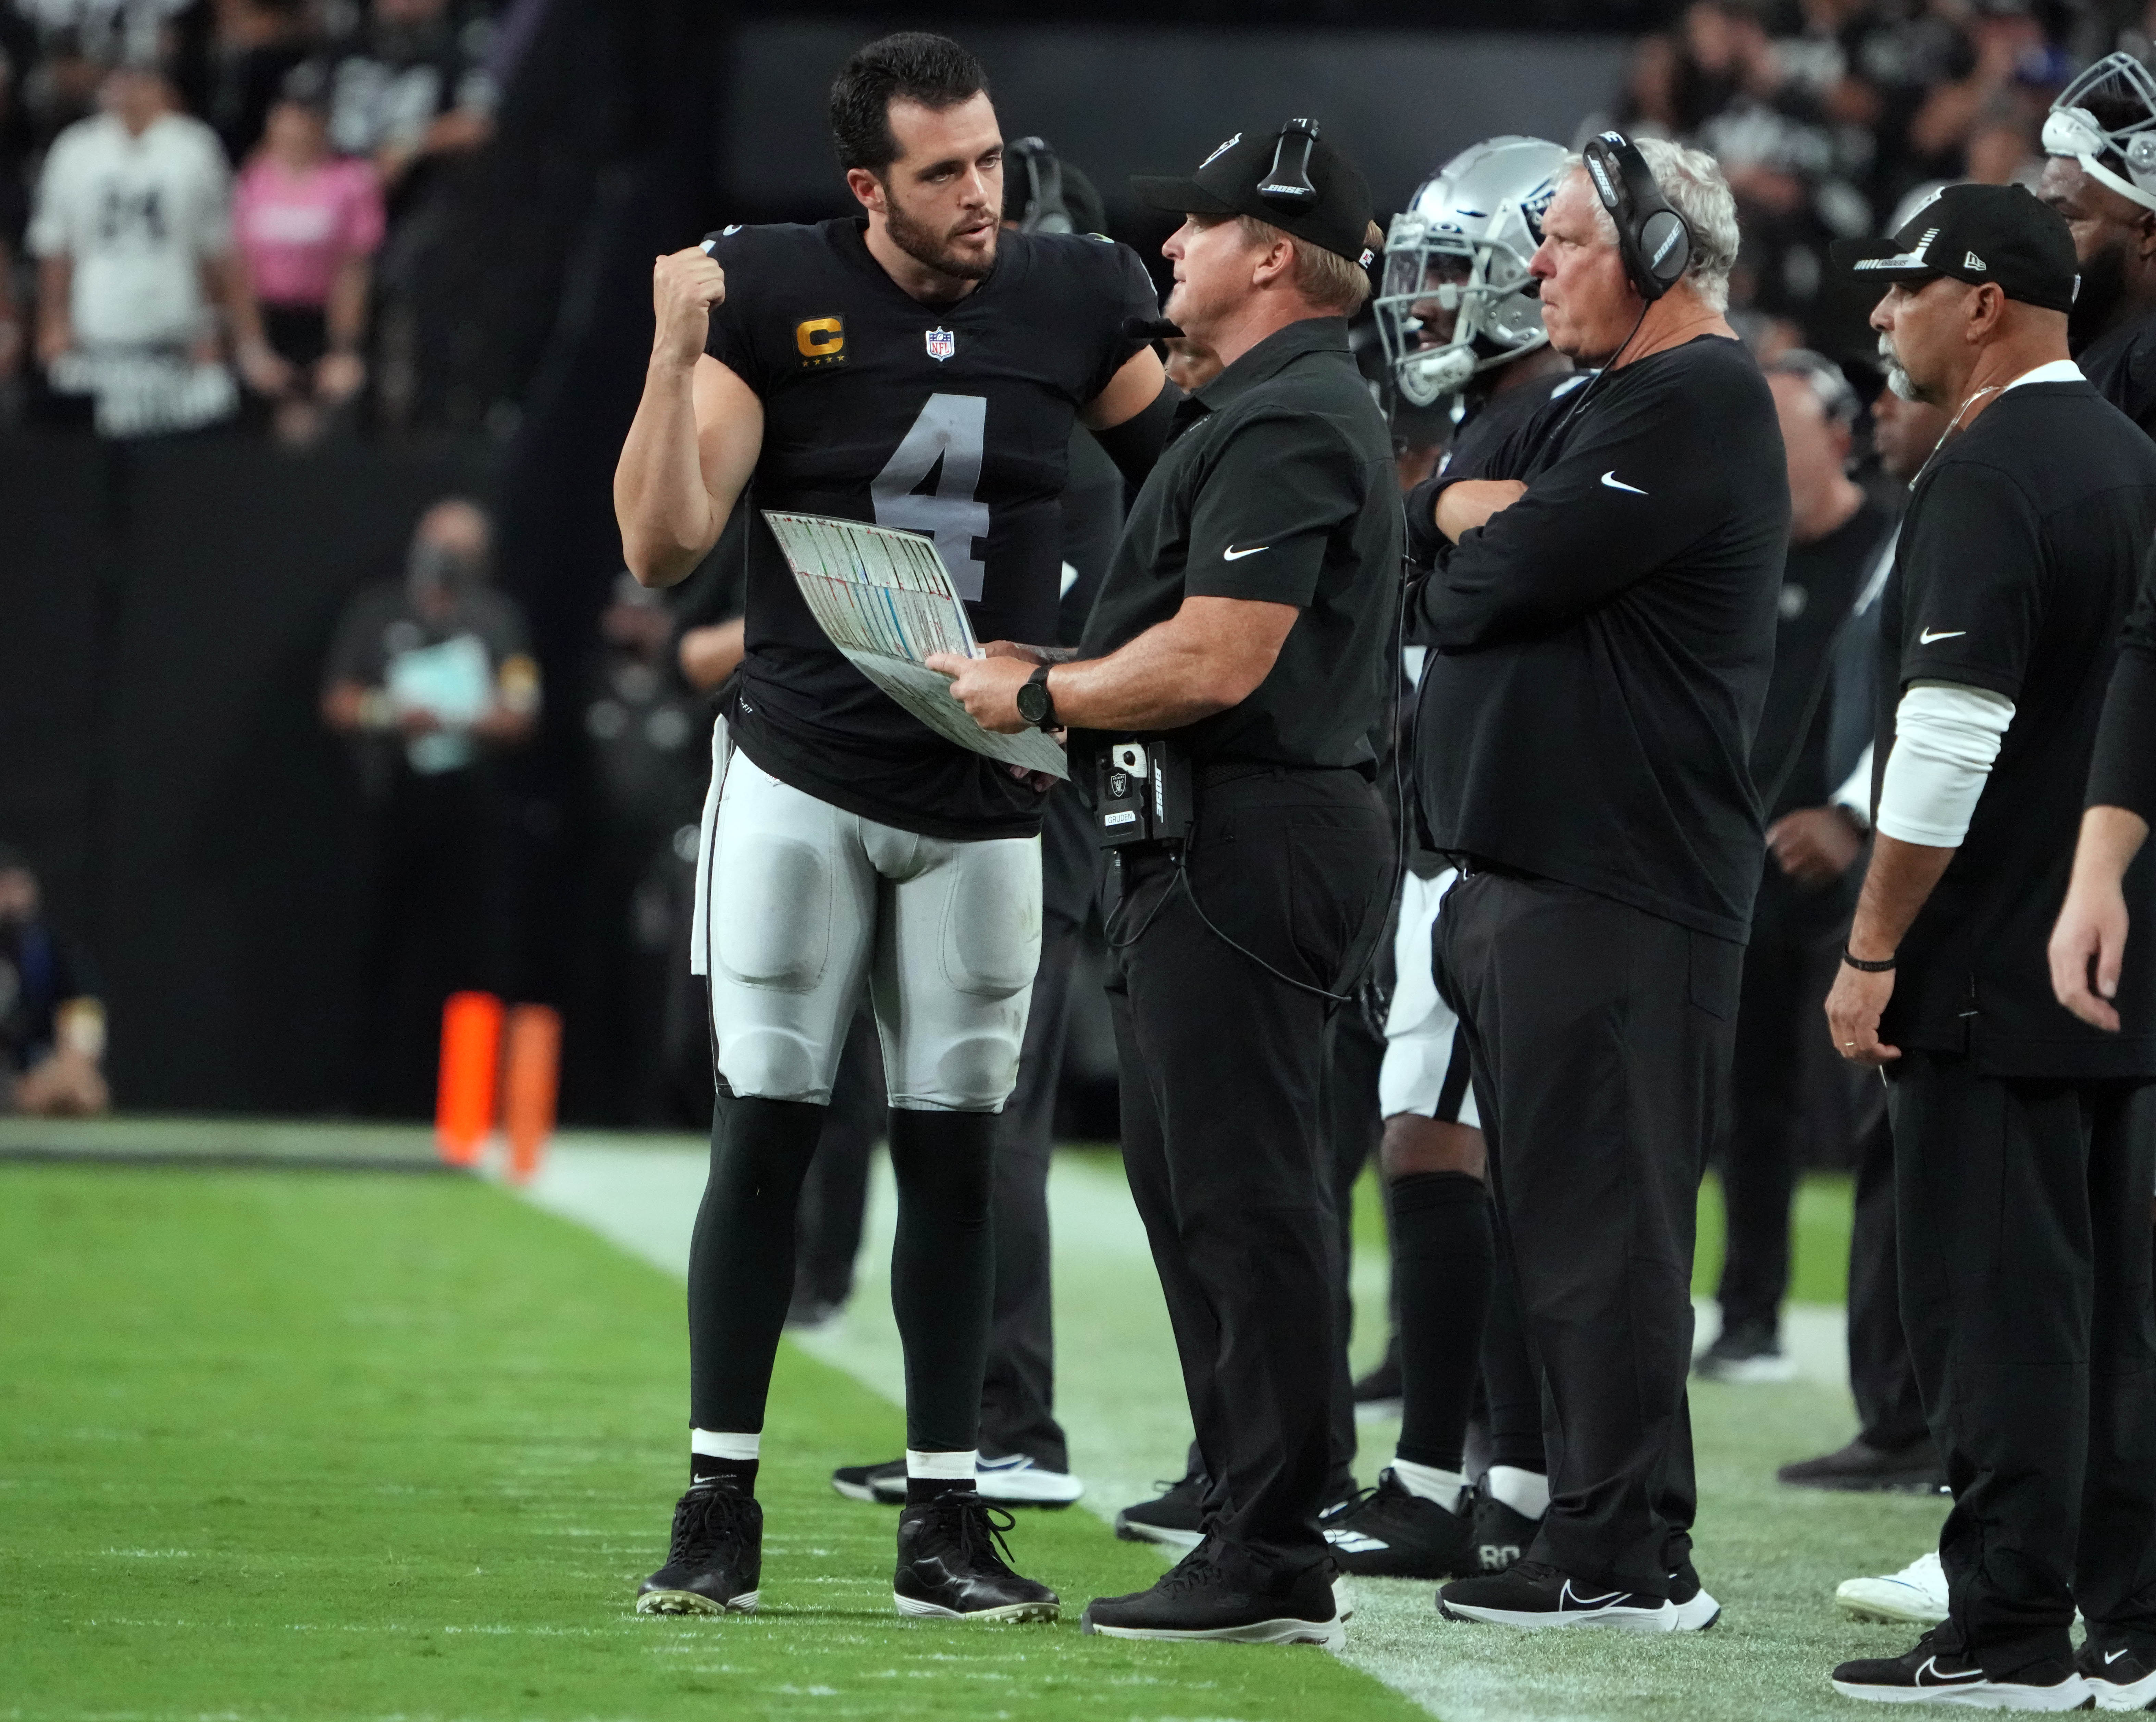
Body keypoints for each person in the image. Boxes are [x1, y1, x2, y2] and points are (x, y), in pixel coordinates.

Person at [611, 33, 1168, 1623]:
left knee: (957, 1151)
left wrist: (1089, 671)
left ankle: (947, 1515)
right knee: (767, 1124)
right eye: (944, 171)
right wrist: (670, 353)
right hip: (798, 769)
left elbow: (1203, 492)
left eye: (988, 158)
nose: (981, 194)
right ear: (867, 187)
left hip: (988, 790)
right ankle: (716, 1504)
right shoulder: (774, 288)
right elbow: (658, 546)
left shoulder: (1073, 294)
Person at [936, 117, 1400, 1648]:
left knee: (1249, 1199)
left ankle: (1272, 1537)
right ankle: (1247, 1504)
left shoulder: (1295, 415)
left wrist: (1048, 699)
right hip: (1198, 836)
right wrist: (1052, 671)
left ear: (1274, 253)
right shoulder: (1254, 409)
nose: (1169, 248)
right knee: (1198, 1191)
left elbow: (1223, 655)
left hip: (1248, 839)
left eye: (1197, 227)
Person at [1415, 132, 1786, 1633]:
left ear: (1653, 250)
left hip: (1619, 880)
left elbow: (1485, 575)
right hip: (1548, 875)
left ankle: (1623, 1553)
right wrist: (1479, 533)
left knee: (1605, 1231)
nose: (1537, 268)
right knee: (1568, 1223)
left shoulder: (1698, 392)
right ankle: (1609, 1528)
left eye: (1565, 239)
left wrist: (1476, 534)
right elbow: (1459, 537)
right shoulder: (1607, 400)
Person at [1821, 181, 2156, 1710]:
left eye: (1903, 286)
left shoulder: (1992, 467)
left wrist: (1873, 946)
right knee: (2113, 1316)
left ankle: (2009, 1625)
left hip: (1989, 967)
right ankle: (2128, 1616)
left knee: (1999, 1310)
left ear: (1984, 301)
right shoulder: (2132, 460)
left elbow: (1948, 743)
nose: (1878, 313)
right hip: (2114, 966)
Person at [829, 140, 1125, 1511]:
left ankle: (1012, 1424)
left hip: (1035, 794)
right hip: (975, 784)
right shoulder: (1029, 426)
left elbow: (1068, 645)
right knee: (949, 1112)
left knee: (987, 1116)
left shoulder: (1080, 447)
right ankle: (972, 1417)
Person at [1322, 133, 1580, 1584]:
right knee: (1423, 1132)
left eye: (1454, 278)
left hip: (1512, 842)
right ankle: (1441, 1465)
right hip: (1447, 831)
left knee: (1481, 1153)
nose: (1423, 307)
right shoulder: (1486, 421)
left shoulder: (1560, 418)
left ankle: (1518, 1472)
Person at [1694, 349, 1894, 1385]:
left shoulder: (1893, 544)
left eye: (1777, 435)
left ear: (1839, 434)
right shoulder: (1742, 548)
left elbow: (1930, 697)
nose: (1758, 459)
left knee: (1885, 1107)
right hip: (1739, 858)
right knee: (1744, 1096)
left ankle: (1895, 1378)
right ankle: (1746, 1314)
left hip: (1866, 862)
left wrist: (1853, 816)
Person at [1779, 382, 1955, 1508]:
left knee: (1927, 1156)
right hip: (1902, 870)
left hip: (1934, 881)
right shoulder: (1920, 513)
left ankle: (1932, 1422)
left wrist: (1850, 813)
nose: (1884, 402)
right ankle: (1901, 1411)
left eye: (1906, 392)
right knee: (1888, 1150)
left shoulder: (1969, 503)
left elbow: (1946, 708)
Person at [322, 498, 538, 1116]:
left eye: (460, 548)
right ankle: (361, 1101)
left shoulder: (496, 620)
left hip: (471, 809)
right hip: (390, 803)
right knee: (378, 953)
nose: (445, 558)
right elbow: (338, 700)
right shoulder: (378, 611)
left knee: (473, 959)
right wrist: (391, 713)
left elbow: (522, 711)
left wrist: (463, 716)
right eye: (437, 542)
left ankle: (469, 1106)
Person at [29, 53, 286, 436]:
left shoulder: (193, 146)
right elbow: (56, 249)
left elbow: (219, 252)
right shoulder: (76, 149)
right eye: (122, 81)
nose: (129, 92)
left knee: (178, 460)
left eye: (141, 81)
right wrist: (53, 321)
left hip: (175, 332)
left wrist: (227, 330)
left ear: (164, 90)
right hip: (97, 329)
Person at [233, 64, 383, 444]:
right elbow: (238, 267)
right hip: (267, 321)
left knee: (332, 416)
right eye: (287, 118)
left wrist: (344, 348)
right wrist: (252, 346)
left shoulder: (351, 182)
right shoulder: (252, 181)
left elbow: (353, 271)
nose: (295, 129)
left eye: (306, 120)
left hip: (323, 322)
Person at [2039, 53, 2156, 436]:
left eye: (2067, 218)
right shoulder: (2095, 349)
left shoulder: (2143, 368)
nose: (2040, 238)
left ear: (2149, 232)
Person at [0, 845, 110, 1117]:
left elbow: (82, 1011)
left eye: (18, 888)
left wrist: (74, 1065)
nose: (11, 900)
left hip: (32, 1073)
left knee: (84, 1092)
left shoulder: (53, 952)